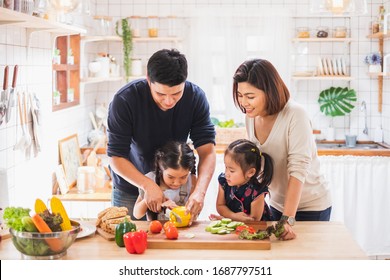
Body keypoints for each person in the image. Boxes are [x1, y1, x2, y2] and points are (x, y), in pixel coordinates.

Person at [107, 49, 216, 221]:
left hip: (177, 188)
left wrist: (199, 191)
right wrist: (147, 184)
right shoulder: (125, 100)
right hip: (131, 188)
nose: (168, 101)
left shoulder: (195, 97)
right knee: (125, 242)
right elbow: (116, 156)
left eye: (176, 94)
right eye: (160, 94)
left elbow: (207, 151)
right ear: (148, 80)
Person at [232, 59, 332, 240]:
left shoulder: (295, 114)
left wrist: (287, 218)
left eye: (250, 96)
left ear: (269, 92)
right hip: (277, 204)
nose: (244, 102)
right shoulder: (251, 116)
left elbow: (298, 169)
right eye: (240, 95)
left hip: (310, 207)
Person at [209, 139, 273, 222]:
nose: (226, 173)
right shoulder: (224, 181)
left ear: (250, 172)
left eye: (232, 171)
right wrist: (232, 216)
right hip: (235, 226)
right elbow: (220, 206)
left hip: (256, 229)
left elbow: (253, 220)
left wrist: (226, 219)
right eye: (226, 167)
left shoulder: (257, 191)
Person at [133, 141, 197, 220]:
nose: (176, 183)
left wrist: (176, 209)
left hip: (182, 231)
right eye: (170, 177)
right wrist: (149, 199)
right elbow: (137, 214)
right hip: (155, 230)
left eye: (183, 177)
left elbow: (194, 216)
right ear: (161, 169)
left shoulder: (192, 181)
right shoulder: (150, 180)